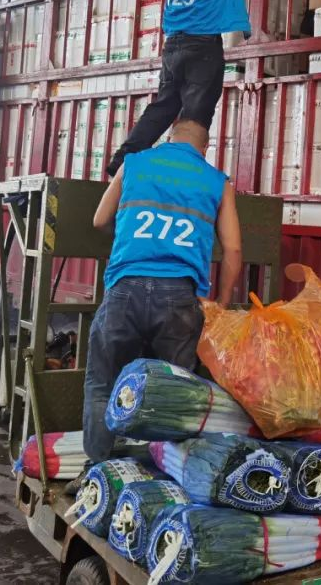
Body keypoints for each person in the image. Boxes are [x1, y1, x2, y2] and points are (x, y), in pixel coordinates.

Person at [82, 117, 243, 463]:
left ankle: (96, 469)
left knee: (102, 384)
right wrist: (222, 305)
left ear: (169, 138)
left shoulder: (134, 163)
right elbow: (232, 251)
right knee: (175, 394)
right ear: (205, 147)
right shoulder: (217, 182)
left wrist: (134, 236)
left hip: (124, 289)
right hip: (180, 299)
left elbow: (97, 219)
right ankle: (164, 473)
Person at [105, 0, 264, 178]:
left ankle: (122, 161)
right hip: (203, 44)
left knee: (164, 106)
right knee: (197, 114)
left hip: (174, 43)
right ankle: (184, 173)